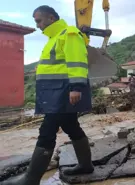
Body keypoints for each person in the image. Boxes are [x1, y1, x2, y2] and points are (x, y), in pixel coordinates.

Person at [1, 6, 94, 185]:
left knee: (47, 131)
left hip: (64, 93)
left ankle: (31, 179)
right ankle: (85, 165)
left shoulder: (69, 34)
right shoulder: (54, 38)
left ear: (51, 18)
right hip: (55, 92)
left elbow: (77, 61)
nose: (37, 26)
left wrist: (76, 87)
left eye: (39, 21)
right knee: (71, 126)